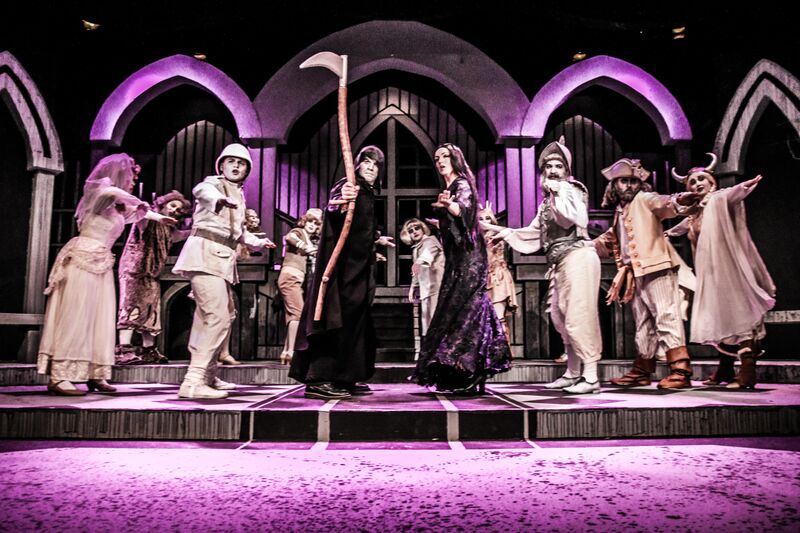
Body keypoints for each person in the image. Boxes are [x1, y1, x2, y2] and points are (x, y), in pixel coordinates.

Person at [38, 154, 177, 395]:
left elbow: (137, 213)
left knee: (99, 319)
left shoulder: (116, 207)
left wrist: (158, 216)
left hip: (101, 263)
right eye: (131, 177)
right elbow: (111, 193)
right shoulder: (100, 195)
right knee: (77, 315)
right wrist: (140, 203)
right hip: (82, 261)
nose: (133, 181)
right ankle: (60, 375)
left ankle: (95, 373)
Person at [484, 137, 602, 393]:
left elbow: (574, 219)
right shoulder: (547, 202)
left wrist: (558, 191)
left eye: (558, 166)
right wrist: (500, 231)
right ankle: (573, 373)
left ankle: (591, 377)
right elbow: (532, 233)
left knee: (578, 315)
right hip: (560, 262)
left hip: (578, 256)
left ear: (567, 170)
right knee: (561, 317)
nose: (553, 170)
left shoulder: (571, 190)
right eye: (549, 166)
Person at [290, 146, 395, 400]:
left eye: (376, 164)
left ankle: (344, 375)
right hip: (342, 271)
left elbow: (360, 228)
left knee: (354, 322)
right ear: (357, 164)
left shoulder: (368, 192)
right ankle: (319, 377)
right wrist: (339, 203)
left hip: (358, 271)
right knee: (334, 318)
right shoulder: (349, 185)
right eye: (366, 162)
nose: (370, 167)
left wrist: (376, 240)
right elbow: (335, 207)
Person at [172, 143, 276, 399]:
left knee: (219, 315)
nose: (236, 166)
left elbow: (237, 231)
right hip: (205, 256)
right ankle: (193, 381)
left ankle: (207, 375)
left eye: (241, 163)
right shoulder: (214, 184)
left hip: (221, 260)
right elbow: (201, 190)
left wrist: (257, 241)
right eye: (231, 161)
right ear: (221, 166)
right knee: (217, 316)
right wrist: (218, 199)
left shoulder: (238, 194)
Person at [667, 154, 775, 389]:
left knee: (737, 314)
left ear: (712, 183)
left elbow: (732, 194)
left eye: (701, 180)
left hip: (729, 271)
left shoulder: (718, 199)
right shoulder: (694, 214)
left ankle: (747, 371)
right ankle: (725, 369)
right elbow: (676, 230)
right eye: (692, 182)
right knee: (720, 317)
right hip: (711, 275)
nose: (697, 184)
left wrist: (744, 186)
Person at [411, 143, 512, 394]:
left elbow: (464, 210)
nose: (440, 161)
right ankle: (464, 371)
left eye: (445, 156)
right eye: (436, 158)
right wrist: (441, 221)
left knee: (467, 310)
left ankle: (469, 370)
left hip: (469, 259)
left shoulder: (462, 185)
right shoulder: (450, 189)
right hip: (458, 259)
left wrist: (449, 207)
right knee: (463, 310)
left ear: (455, 159)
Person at [594, 158, 700, 389]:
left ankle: (681, 370)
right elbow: (612, 238)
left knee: (666, 315)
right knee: (643, 323)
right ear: (614, 185)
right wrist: (585, 247)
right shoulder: (620, 211)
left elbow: (663, 202)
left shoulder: (644, 199)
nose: (629, 185)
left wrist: (679, 199)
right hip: (636, 272)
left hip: (657, 267)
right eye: (624, 181)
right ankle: (642, 370)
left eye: (633, 181)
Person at [116, 190, 192, 365]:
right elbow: (141, 214)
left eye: (179, 210)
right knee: (131, 307)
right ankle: (123, 350)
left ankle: (148, 350)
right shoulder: (148, 219)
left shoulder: (168, 228)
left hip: (152, 274)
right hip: (135, 270)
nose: (174, 211)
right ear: (163, 204)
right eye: (172, 206)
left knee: (151, 310)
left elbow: (180, 235)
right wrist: (157, 216)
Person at [278, 208, 322, 364]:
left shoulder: (310, 238)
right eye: (310, 221)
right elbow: (290, 237)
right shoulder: (298, 232)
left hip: (296, 278)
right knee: (297, 313)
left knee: (293, 315)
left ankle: (286, 352)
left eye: (316, 223)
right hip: (290, 277)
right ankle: (291, 352)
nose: (312, 225)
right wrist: (306, 247)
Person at [477, 202, 518, 344]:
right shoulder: (476, 238)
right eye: (481, 219)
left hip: (497, 278)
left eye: (487, 218)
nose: (484, 222)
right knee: (484, 320)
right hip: (482, 280)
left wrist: (489, 226)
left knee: (498, 317)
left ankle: (503, 351)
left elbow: (509, 231)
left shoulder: (496, 235)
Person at [401, 218, 445, 337]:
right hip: (427, 290)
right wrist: (413, 287)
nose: (414, 232)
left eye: (417, 228)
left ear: (422, 229)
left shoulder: (430, 241)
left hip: (437, 288)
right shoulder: (417, 248)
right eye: (411, 231)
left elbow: (425, 259)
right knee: (428, 325)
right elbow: (417, 270)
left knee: (436, 324)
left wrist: (416, 265)